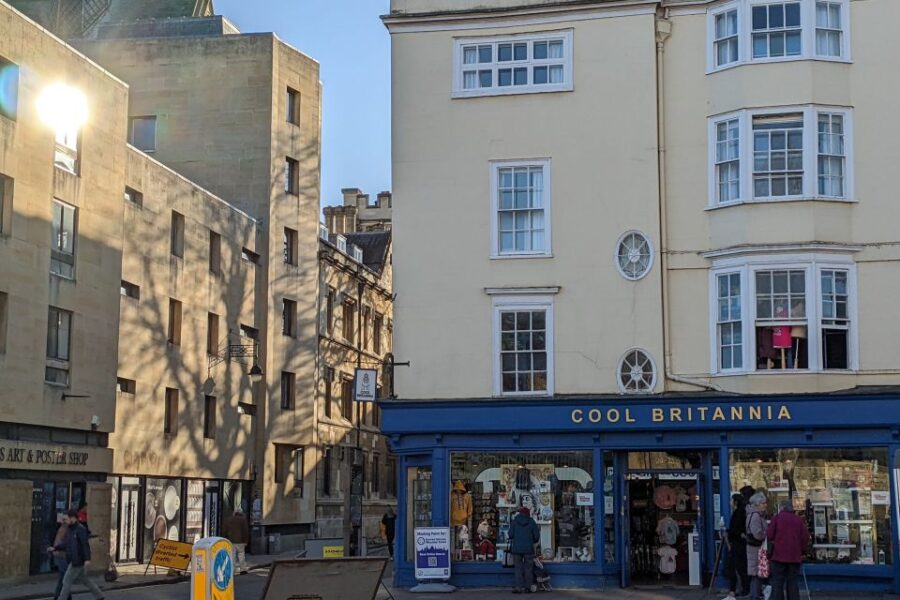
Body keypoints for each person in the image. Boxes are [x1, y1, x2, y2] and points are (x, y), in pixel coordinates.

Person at [50, 509, 104, 600]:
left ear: (73, 518)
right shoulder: (71, 529)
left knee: (66, 580)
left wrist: (87, 559)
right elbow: (67, 544)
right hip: (73, 559)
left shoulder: (80, 529)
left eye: (66, 519)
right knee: (86, 580)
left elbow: (85, 545)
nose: (64, 521)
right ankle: (100, 596)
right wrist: (55, 548)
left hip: (77, 560)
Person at [766, 500, 810, 600]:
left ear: (782, 508)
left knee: (777, 582)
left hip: (778, 556)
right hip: (794, 556)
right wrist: (803, 551)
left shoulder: (777, 518)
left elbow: (769, 535)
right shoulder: (799, 520)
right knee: (792, 582)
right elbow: (805, 537)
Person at [722, 493, 749, 600]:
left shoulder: (738, 513)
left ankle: (740, 589)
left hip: (738, 545)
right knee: (740, 568)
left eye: (731, 500)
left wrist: (729, 532)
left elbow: (736, 530)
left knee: (737, 568)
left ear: (735, 502)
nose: (730, 502)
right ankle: (741, 589)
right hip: (739, 544)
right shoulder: (741, 512)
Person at [508, 506, 540, 594]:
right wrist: (532, 540)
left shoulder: (515, 521)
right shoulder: (531, 522)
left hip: (517, 549)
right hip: (528, 548)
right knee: (528, 568)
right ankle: (528, 587)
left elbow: (510, 535)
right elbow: (536, 537)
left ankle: (518, 587)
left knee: (518, 568)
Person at [745, 493, 769, 600]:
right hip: (756, 548)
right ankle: (755, 596)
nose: (765, 505)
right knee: (756, 573)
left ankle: (756, 594)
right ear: (757, 504)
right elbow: (758, 534)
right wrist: (766, 534)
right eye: (763, 503)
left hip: (755, 548)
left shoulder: (755, 515)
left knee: (757, 573)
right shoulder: (755, 516)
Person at [222, 508, 250, 574]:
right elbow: (245, 531)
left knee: (232, 556)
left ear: (234, 513)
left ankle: (232, 570)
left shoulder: (229, 519)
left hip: (230, 540)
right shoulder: (243, 520)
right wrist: (246, 541)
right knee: (241, 555)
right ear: (241, 513)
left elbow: (224, 530)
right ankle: (242, 569)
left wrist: (224, 539)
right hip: (241, 541)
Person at [51, 519, 71, 600]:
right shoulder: (65, 528)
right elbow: (60, 543)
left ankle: (64, 596)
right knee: (64, 578)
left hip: (60, 555)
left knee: (63, 578)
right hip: (62, 556)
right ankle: (62, 596)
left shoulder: (64, 528)